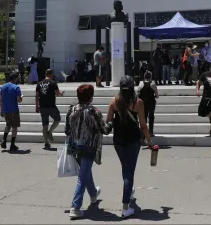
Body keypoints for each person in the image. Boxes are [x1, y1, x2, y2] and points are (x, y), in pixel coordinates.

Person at [106, 76, 152, 218]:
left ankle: (130, 191)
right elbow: (143, 124)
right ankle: (125, 207)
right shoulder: (138, 103)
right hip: (133, 140)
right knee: (129, 172)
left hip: (118, 140)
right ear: (132, 87)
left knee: (125, 167)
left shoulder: (114, 101)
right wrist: (149, 141)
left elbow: (107, 122)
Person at [66, 84, 111, 220]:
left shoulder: (72, 109)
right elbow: (104, 130)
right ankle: (75, 207)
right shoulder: (93, 111)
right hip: (88, 146)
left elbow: (67, 130)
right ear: (90, 97)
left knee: (85, 171)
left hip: (74, 145)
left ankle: (93, 194)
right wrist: (111, 122)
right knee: (83, 175)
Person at [36, 69, 64, 148]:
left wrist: (36, 106)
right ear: (51, 74)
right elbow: (57, 93)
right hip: (51, 105)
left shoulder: (39, 83)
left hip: (42, 106)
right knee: (57, 119)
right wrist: (61, 93)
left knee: (45, 125)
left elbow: (37, 96)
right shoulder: (53, 83)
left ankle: (46, 142)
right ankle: (49, 132)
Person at [0, 72, 23, 151]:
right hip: (14, 110)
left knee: (8, 125)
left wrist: (1, 110)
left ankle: (4, 140)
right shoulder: (16, 87)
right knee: (14, 127)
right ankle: (12, 144)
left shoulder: (3, 87)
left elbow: (1, 99)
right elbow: (19, 100)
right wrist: (21, 97)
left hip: (6, 110)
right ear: (15, 78)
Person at [137, 71, 159, 137]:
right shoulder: (153, 84)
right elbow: (157, 96)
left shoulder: (141, 84)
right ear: (150, 76)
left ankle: (143, 132)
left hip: (143, 103)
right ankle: (151, 132)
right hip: (151, 103)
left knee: (144, 117)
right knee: (151, 117)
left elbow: (138, 94)